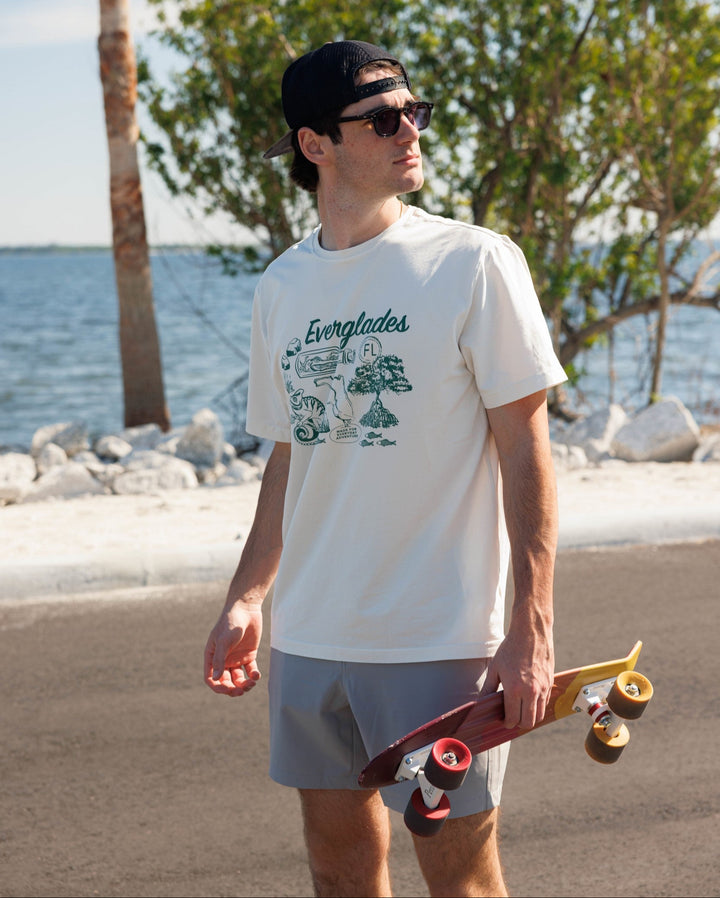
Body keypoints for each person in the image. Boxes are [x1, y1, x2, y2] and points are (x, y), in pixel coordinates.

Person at [204, 39, 567, 898]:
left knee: (461, 875)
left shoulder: (476, 262)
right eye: (381, 116)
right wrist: (249, 594)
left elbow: (526, 448)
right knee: (338, 873)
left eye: (415, 111)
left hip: (438, 637)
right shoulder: (282, 286)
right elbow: (292, 453)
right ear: (316, 145)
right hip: (311, 637)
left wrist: (533, 624)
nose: (410, 129)